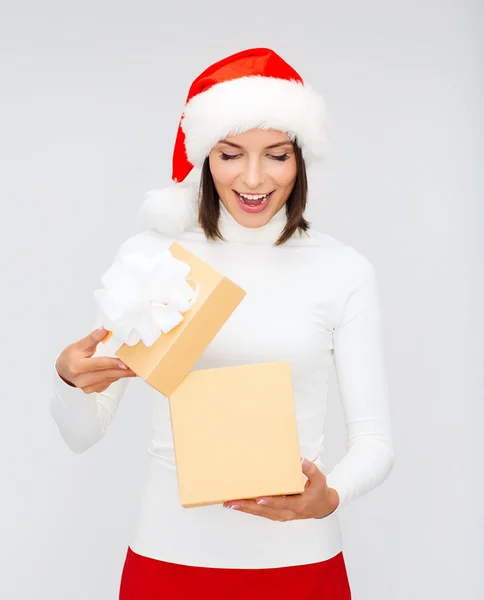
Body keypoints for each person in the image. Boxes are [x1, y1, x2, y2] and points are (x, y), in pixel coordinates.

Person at [51, 47, 395, 599]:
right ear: (205, 158)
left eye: (276, 155)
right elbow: (82, 434)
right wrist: (70, 380)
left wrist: (329, 497)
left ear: (300, 159)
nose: (254, 177)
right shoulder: (154, 260)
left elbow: (375, 441)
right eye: (231, 154)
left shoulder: (342, 269)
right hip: (168, 560)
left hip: (301, 564)